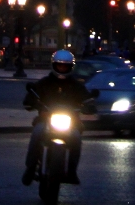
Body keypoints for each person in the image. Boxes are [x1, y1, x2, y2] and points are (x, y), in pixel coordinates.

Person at [21, 50, 94, 186]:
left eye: (65, 66)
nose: (62, 68)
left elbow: (87, 98)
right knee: (37, 133)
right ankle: (30, 168)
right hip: (46, 120)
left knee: (76, 138)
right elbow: (32, 95)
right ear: (54, 65)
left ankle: (72, 171)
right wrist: (31, 102)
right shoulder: (44, 83)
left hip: (71, 122)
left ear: (70, 67)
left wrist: (89, 105)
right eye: (59, 66)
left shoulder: (76, 85)